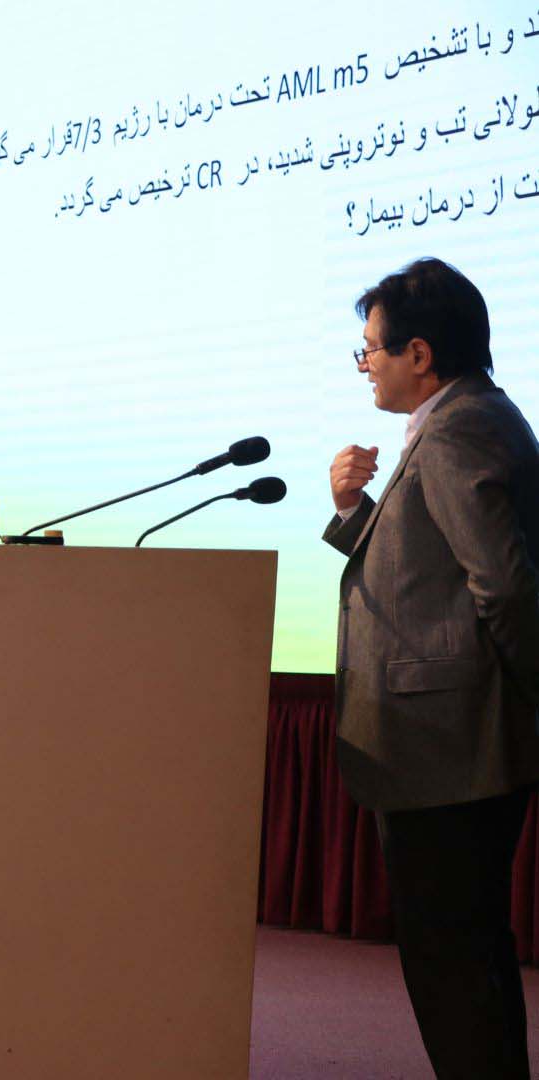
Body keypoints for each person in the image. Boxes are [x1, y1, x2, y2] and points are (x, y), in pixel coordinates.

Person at [324, 256, 539, 1078]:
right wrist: (353, 512)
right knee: (465, 955)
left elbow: (504, 586)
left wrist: (529, 698)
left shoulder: (458, 429)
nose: (364, 365)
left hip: (451, 745)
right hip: (453, 742)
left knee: (453, 963)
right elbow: (430, 569)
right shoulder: (466, 418)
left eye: (370, 348)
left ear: (419, 353)